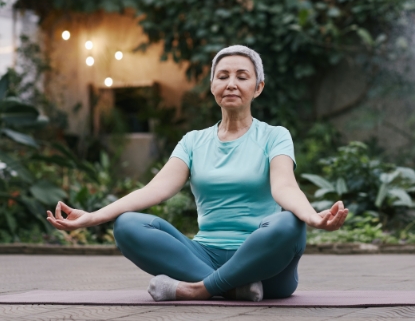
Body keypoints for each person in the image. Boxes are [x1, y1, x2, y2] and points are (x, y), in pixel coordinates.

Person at [47, 45, 348, 302]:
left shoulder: (275, 136)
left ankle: (196, 290)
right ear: (212, 85)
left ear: (258, 88)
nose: (231, 83)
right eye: (223, 76)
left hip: (265, 267)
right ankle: (231, 288)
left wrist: (312, 217)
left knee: (289, 224)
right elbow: (155, 190)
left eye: (242, 77)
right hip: (202, 256)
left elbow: (284, 187)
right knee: (127, 225)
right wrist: (93, 217)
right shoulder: (193, 141)